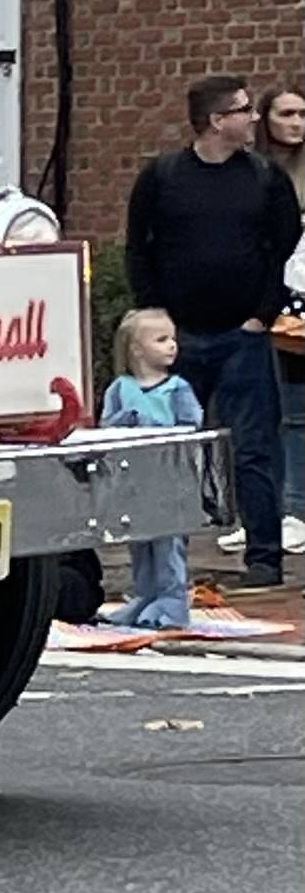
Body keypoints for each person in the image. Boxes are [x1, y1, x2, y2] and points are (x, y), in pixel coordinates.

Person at [125, 73, 299, 590]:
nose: (252, 117)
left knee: (254, 448)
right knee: (173, 447)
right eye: (243, 110)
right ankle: (164, 560)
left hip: (241, 333)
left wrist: (261, 316)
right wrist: (154, 315)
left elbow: (282, 246)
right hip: (179, 335)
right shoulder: (164, 177)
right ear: (216, 120)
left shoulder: (265, 179)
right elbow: (140, 247)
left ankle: (264, 558)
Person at [98, 309, 203, 631]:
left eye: (172, 338)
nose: (172, 345)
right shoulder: (120, 388)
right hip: (135, 482)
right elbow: (106, 425)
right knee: (140, 542)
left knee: (168, 544)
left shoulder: (177, 388)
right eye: (161, 340)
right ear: (136, 349)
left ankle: (172, 602)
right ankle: (145, 596)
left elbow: (192, 423)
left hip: (170, 480)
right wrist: (122, 422)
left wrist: (156, 427)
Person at [264, 79, 305, 553]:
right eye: (286, 114)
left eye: (301, 115)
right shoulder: (256, 171)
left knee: (295, 412)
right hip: (262, 301)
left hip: (298, 306)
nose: (295, 124)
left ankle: (295, 506)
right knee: (261, 413)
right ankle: (266, 509)